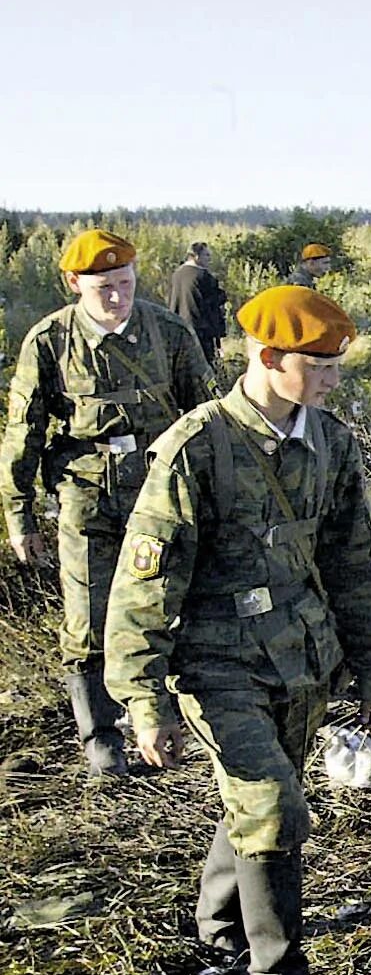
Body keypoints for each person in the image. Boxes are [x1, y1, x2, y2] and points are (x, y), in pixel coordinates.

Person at [103, 286, 371, 975]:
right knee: (273, 808)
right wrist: (143, 699)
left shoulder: (332, 444)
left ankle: (221, 928)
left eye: (336, 366)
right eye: (319, 365)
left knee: (263, 798)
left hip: (300, 660)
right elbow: (145, 584)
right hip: (216, 666)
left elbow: (352, 562)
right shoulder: (196, 449)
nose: (332, 379)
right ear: (269, 359)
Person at [3, 229, 214, 776]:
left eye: (125, 283)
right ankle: (101, 736)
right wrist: (19, 514)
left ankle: (167, 721)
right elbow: (22, 434)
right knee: (90, 617)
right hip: (87, 495)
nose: (117, 297)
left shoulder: (168, 333)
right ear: (74, 284)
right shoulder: (49, 342)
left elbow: (204, 420)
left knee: (171, 603)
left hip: (159, 494)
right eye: (104, 288)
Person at [165, 243, 229, 367]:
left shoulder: (176, 275)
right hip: (201, 331)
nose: (209, 259)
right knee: (206, 367)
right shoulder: (204, 276)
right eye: (206, 255)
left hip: (179, 327)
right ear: (196, 256)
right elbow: (216, 302)